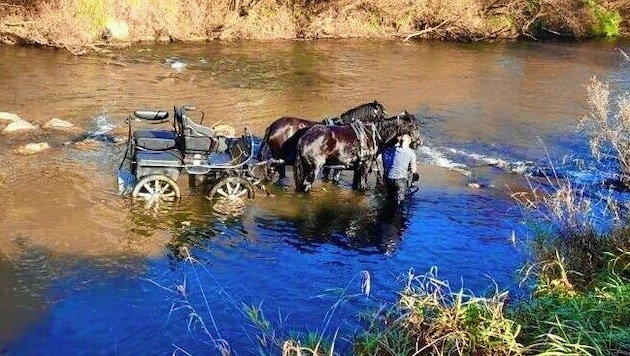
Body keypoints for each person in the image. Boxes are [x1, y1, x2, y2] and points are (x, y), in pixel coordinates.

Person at [384, 134, 419, 206]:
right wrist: (415, 175)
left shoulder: (394, 149)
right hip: (400, 179)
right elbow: (413, 169)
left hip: (390, 178)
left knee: (390, 198)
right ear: (409, 142)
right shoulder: (411, 153)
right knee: (400, 201)